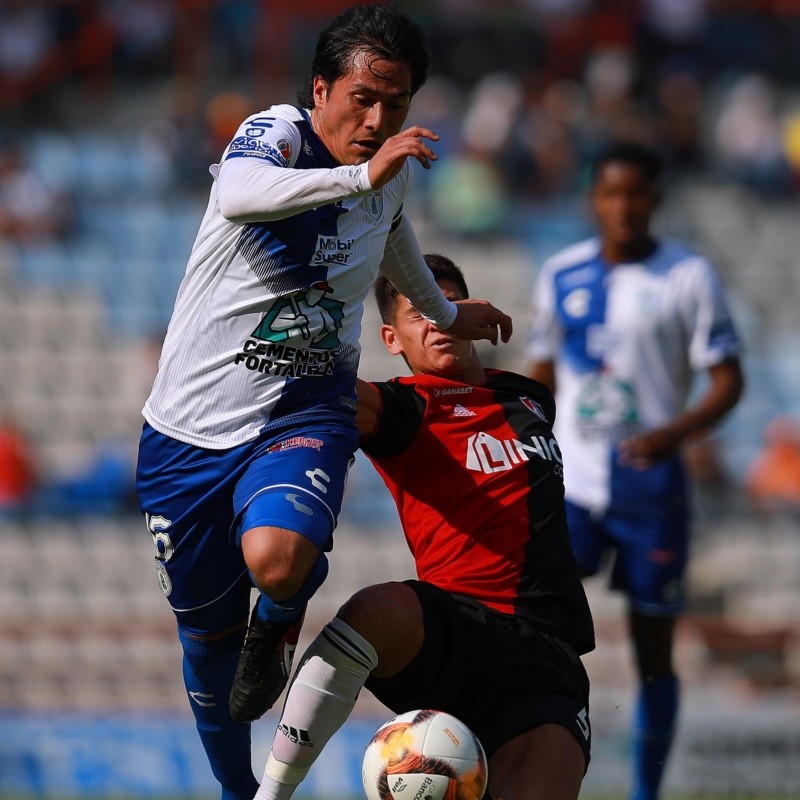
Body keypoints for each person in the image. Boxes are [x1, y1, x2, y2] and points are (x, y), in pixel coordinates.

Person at [134, 7, 512, 800]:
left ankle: (281, 612)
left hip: (305, 406)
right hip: (187, 433)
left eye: (397, 104)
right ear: (320, 89)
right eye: (363, 98)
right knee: (207, 654)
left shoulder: (388, 173)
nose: (378, 121)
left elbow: (392, 226)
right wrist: (360, 176)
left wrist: (443, 316)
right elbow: (239, 194)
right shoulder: (276, 135)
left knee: (279, 561)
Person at [253, 253, 595, 800]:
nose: (439, 321)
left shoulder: (531, 398)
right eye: (421, 313)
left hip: (546, 659)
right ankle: (270, 795)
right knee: (374, 611)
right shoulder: (405, 408)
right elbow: (324, 389)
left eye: (449, 305)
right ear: (392, 339)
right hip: (454, 633)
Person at [526, 141, 744, 800]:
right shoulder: (561, 272)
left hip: (652, 489)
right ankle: (533, 771)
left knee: (655, 653)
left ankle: (645, 792)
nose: (623, 207)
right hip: (573, 484)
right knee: (539, 634)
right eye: (610, 194)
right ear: (594, 200)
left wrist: (675, 433)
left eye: (635, 194)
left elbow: (729, 380)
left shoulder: (688, 276)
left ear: (655, 200)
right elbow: (541, 373)